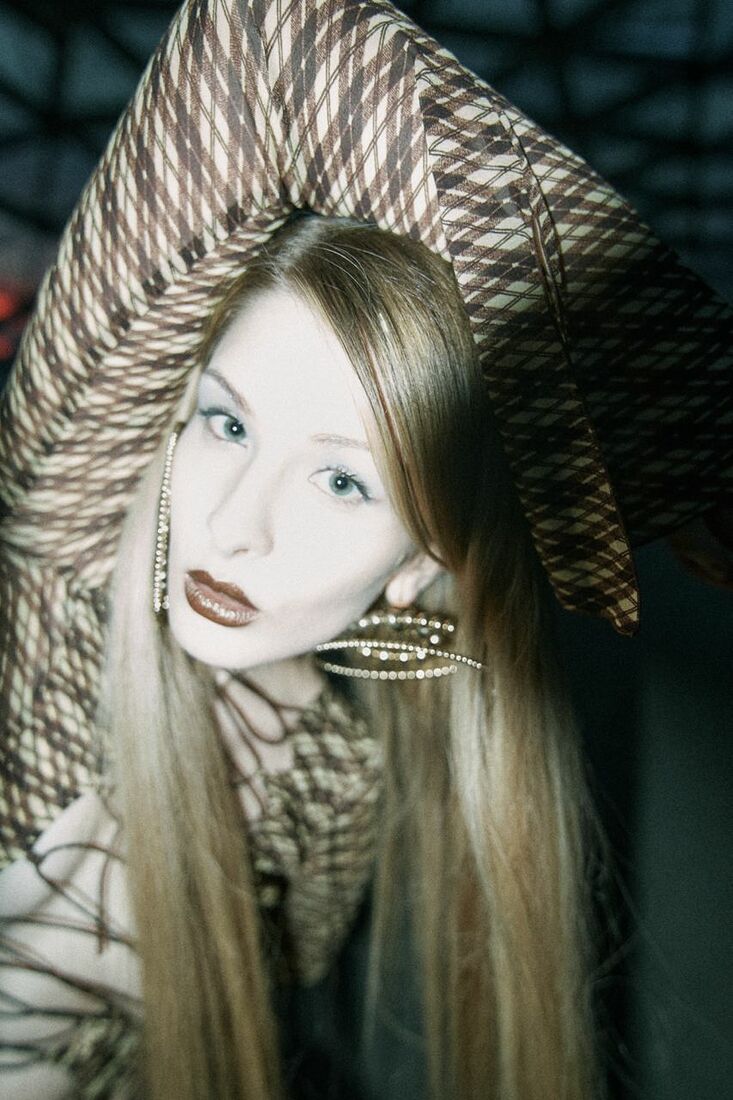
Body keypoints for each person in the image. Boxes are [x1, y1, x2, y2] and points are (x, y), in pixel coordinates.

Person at [0, 2, 730, 1099]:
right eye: (227, 422)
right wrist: (698, 427)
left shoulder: (333, 792)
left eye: (342, 480)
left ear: (419, 562)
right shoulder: (49, 600)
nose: (237, 522)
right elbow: (265, 37)